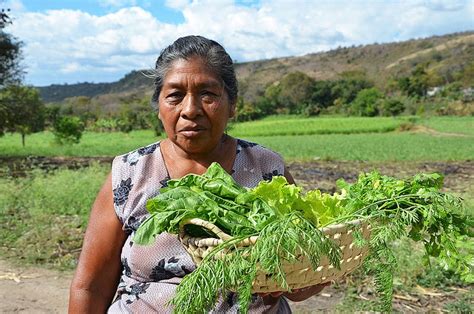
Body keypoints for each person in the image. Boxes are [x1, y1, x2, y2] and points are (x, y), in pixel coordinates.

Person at [69, 35, 328, 313]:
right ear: (159, 106)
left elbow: (307, 274)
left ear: (232, 105)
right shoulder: (131, 173)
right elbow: (90, 287)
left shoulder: (266, 168)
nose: (190, 109)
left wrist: (299, 278)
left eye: (208, 94)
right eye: (175, 95)